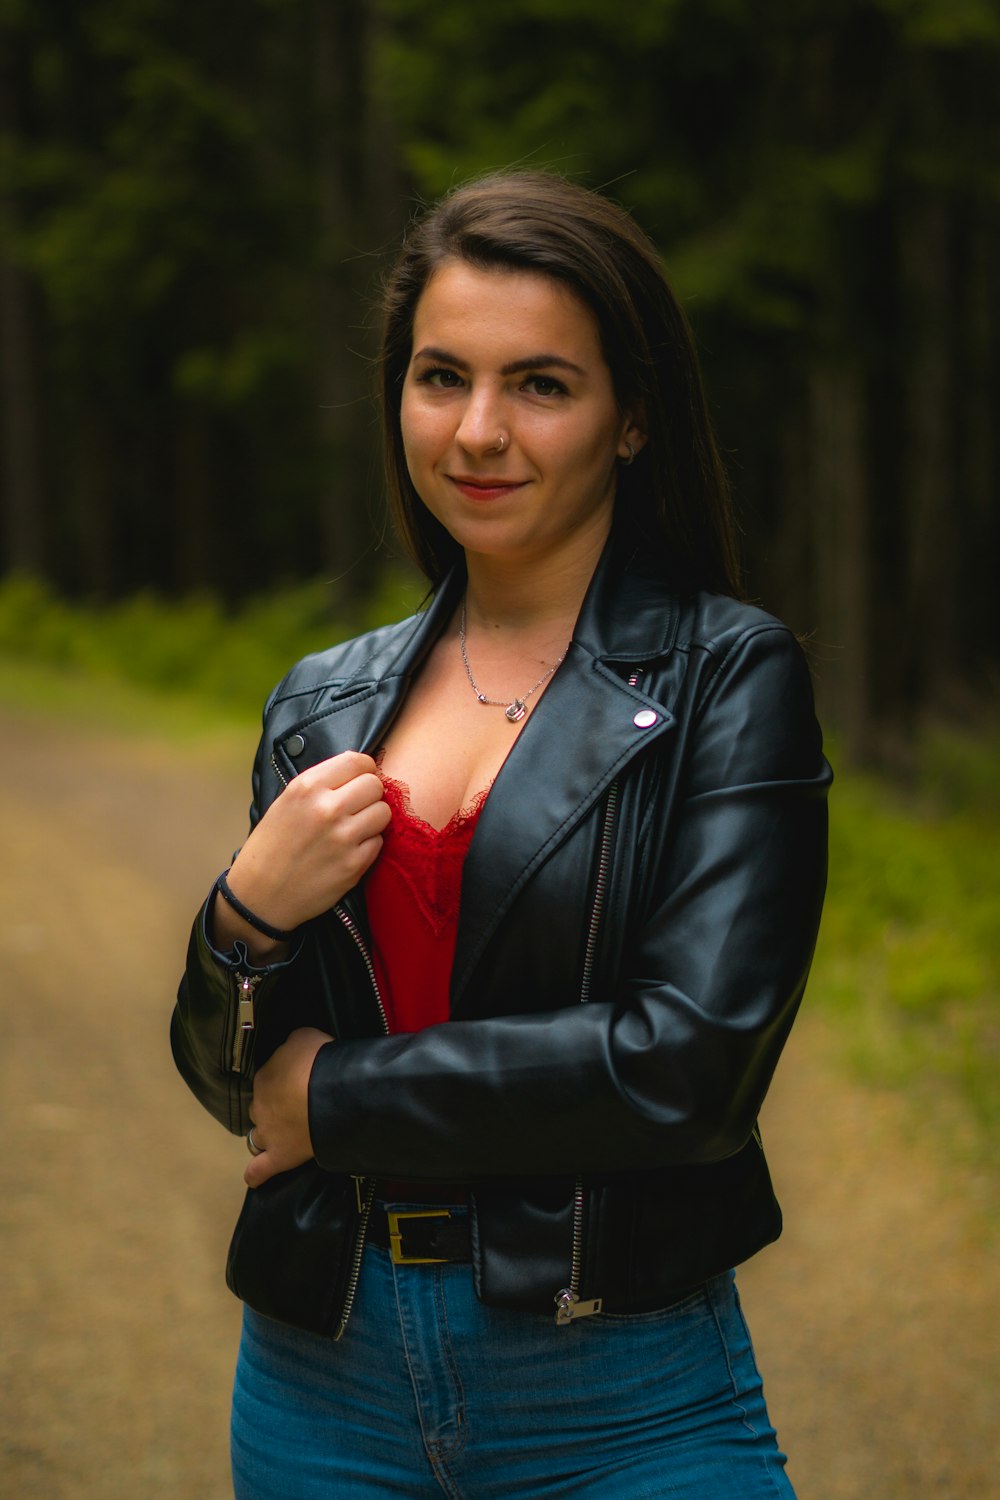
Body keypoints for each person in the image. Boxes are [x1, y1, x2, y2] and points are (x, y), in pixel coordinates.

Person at [172, 169, 831, 1499]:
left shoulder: (727, 677)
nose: (477, 432)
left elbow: (685, 1068)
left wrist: (339, 1098)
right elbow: (233, 1072)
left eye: (540, 384)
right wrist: (242, 915)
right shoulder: (323, 702)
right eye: (439, 378)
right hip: (320, 1382)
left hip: (620, 1389)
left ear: (631, 417)